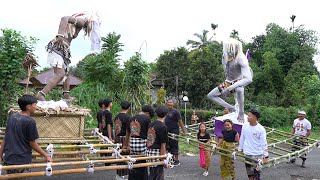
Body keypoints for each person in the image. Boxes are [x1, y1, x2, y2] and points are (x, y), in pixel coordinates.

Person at [36, 12, 101, 101]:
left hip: (63, 49)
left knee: (66, 73)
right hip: (58, 46)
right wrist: (60, 35)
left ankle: (66, 94)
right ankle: (41, 94)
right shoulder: (82, 21)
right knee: (60, 74)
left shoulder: (80, 24)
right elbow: (64, 18)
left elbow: (72, 32)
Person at [0, 95, 53, 177]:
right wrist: (46, 155)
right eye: (35, 104)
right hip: (21, 160)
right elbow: (33, 144)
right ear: (28, 107)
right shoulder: (30, 122)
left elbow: (6, 138)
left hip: (9, 159)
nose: (36, 107)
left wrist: (0, 154)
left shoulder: (12, 117)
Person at [207, 38, 253, 122]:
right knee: (211, 95)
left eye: (230, 48)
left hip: (237, 81)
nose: (228, 50)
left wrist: (229, 89)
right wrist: (226, 87)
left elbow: (249, 79)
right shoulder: (226, 56)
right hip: (228, 82)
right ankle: (231, 108)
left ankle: (241, 113)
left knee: (239, 89)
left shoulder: (241, 58)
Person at [124, 105, 154, 180]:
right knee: (143, 165)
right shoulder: (147, 119)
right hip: (142, 145)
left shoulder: (131, 118)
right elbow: (150, 133)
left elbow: (127, 133)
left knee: (133, 163)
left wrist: (126, 145)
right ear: (147, 113)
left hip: (132, 144)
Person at [238, 109, 268, 180]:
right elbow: (242, 138)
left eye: (249, 116)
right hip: (247, 153)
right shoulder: (245, 126)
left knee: (257, 174)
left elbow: (264, 143)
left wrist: (266, 156)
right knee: (250, 174)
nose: (247, 117)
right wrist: (239, 149)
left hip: (258, 154)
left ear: (254, 117)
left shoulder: (261, 129)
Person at [146, 105, 169, 180]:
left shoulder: (151, 124)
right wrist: (163, 160)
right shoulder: (163, 127)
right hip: (157, 153)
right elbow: (163, 145)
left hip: (149, 151)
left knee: (152, 173)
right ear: (166, 114)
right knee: (158, 175)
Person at [165, 99, 187, 166]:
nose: (169, 103)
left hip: (174, 131)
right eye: (168, 102)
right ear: (166, 103)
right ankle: (170, 159)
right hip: (166, 131)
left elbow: (180, 121)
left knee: (174, 144)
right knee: (167, 145)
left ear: (173, 104)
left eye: (171, 102)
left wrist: (184, 131)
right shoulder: (165, 111)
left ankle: (176, 160)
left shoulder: (176, 111)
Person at [114, 100, 131, 178]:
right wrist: (128, 144)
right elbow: (129, 132)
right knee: (125, 157)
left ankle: (118, 174)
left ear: (121, 107)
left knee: (118, 157)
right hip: (124, 139)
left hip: (117, 139)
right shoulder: (128, 118)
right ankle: (123, 175)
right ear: (129, 108)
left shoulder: (117, 116)